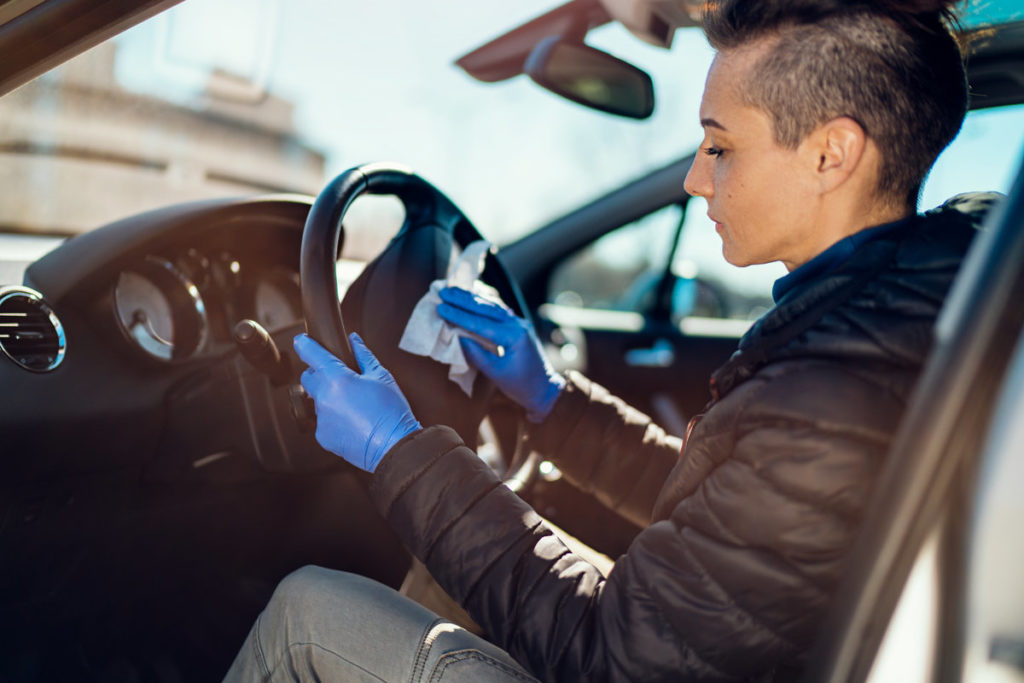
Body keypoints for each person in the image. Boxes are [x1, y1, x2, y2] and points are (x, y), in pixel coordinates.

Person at [225, 0, 997, 680]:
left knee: (305, 610)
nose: (697, 178)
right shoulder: (891, 318)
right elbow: (726, 524)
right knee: (443, 574)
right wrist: (551, 399)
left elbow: (611, 659)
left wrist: (397, 448)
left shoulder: (831, 387)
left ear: (832, 153)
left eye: (720, 146)